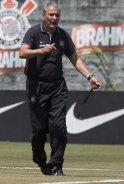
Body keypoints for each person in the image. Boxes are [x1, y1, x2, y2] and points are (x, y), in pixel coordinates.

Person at [19, 1, 101, 176]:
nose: (54, 18)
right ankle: (39, 158)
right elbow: (22, 52)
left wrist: (90, 76)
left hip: (57, 86)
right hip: (36, 86)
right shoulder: (33, 32)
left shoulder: (63, 35)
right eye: (51, 15)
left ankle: (57, 164)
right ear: (44, 15)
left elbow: (75, 59)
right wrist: (40, 51)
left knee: (58, 126)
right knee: (39, 129)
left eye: (57, 15)